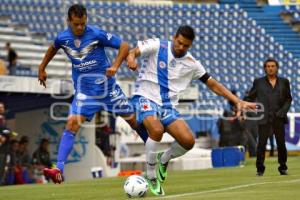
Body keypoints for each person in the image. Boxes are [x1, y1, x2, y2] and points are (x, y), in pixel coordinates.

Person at [126, 25, 256, 195]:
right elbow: (134, 51)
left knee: (188, 141)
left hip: (168, 106)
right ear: (174, 37)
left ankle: (164, 158)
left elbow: (213, 84)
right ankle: (150, 175)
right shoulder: (158, 45)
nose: (181, 47)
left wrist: (236, 100)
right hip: (145, 97)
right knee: (156, 130)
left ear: (190, 45)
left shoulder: (192, 64)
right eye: (179, 43)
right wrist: (131, 58)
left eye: (185, 45)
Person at [38, 4, 148, 184]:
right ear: (69, 21)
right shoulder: (62, 38)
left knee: (134, 122)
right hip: (85, 93)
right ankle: (59, 169)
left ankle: (154, 155)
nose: (80, 27)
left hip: (108, 90)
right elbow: (53, 47)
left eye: (83, 23)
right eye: (76, 24)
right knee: (72, 123)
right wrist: (42, 67)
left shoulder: (96, 34)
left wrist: (115, 66)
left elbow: (124, 46)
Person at [246, 58, 292, 176]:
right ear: (265, 68)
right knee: (261, 144)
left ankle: (283, 167)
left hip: (279, 117)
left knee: (281, 144)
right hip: (264, 118)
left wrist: (283, 111)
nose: (270, 68)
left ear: (277, 68)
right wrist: (250, 106)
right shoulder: (258, 82)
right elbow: (250, 97)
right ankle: (260, 169)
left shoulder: (284, 81)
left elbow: (288, 99)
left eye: (272, 66)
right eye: (268, 66)